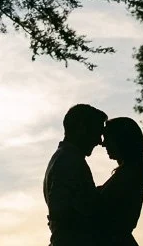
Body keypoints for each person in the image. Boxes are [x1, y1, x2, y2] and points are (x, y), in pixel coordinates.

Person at [43, 103, 108, 246]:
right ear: (81, 128)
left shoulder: (65, 158)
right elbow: (59, 211)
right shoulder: (69, 161)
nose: (99, 141)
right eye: (96, 132)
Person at [95, 117, 143, 246]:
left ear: (121, 140)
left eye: (107, 138)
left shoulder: (128, 174)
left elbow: (100, 208)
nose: (103, 144)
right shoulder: (131, 172)